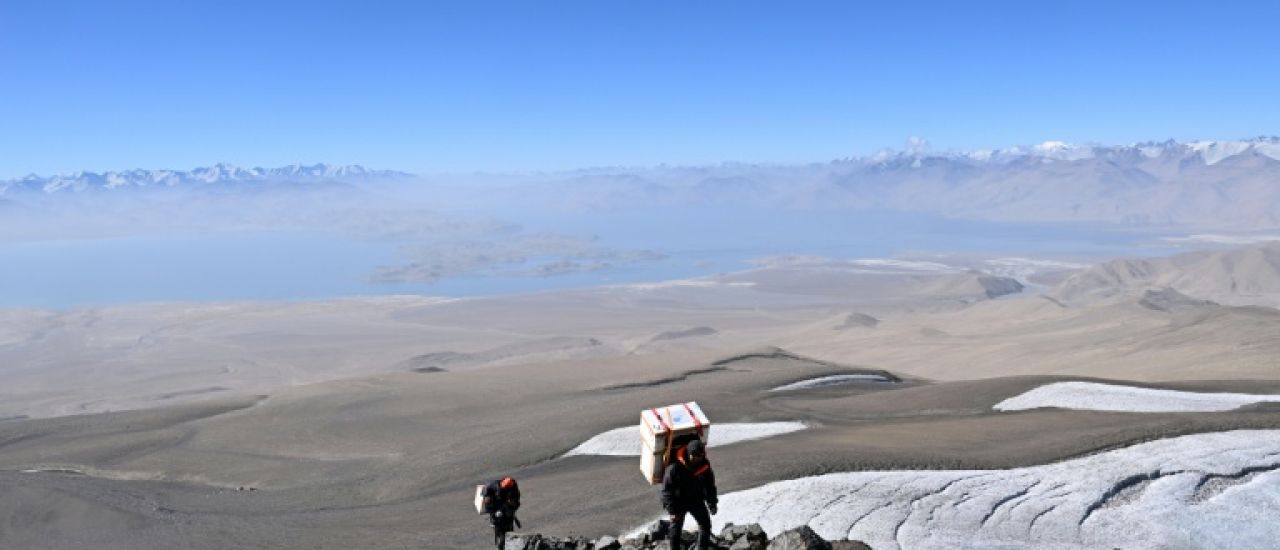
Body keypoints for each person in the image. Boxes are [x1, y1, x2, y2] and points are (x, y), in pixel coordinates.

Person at [660, 439, 718, 550]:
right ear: (688, 453)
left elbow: (710, 485)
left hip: (695, 499)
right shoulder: (674, 468)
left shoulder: (704, 465)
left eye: (700, 455)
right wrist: (672, 511)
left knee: (705, 524)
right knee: (675, 529)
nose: (697, 458)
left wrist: (712, 503)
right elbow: (666, 491)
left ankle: (701, 548)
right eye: (694, 455)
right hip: (678, 502)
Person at [482, 476, 521, 548]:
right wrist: (494, 513)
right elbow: (487, 505)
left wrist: (511, 509)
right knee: (500, 533)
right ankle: (501, 543)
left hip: (507, 513)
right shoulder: (491, 488)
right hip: (496, 511)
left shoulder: (513, 487)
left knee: (509, 533)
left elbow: (516, 502)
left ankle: (509, 544)